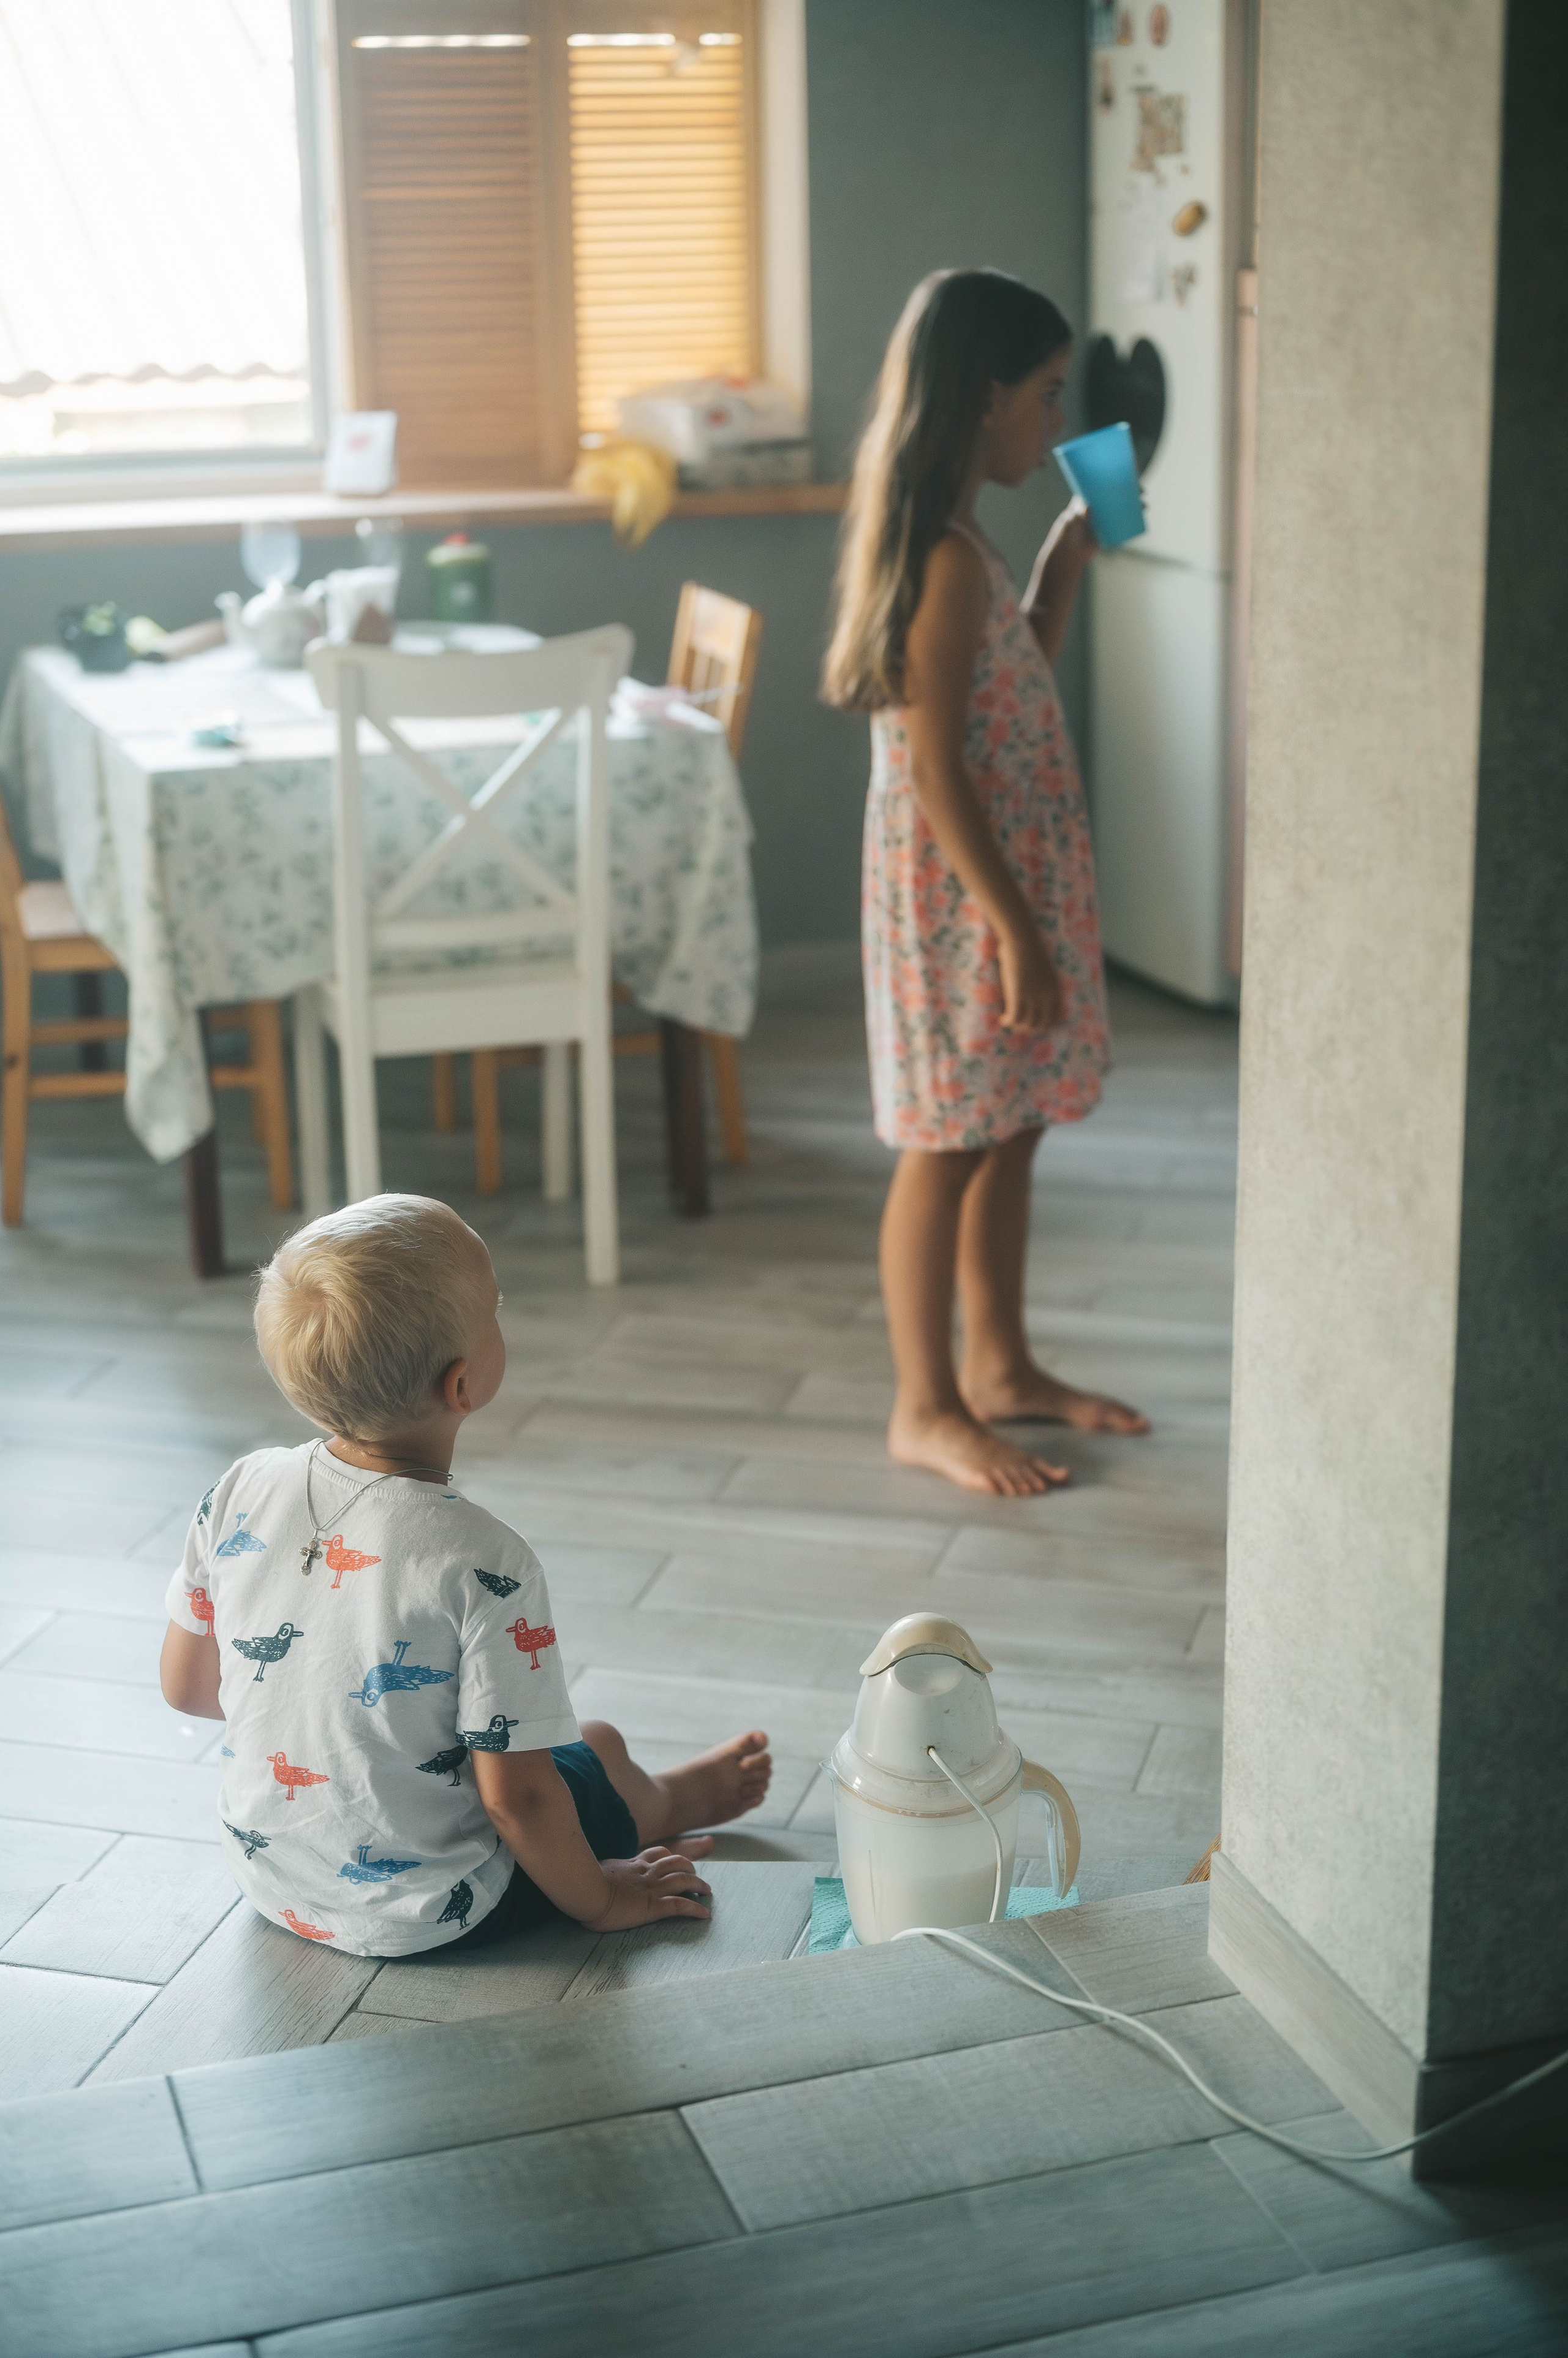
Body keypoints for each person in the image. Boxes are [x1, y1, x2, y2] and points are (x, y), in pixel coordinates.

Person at [158, 1194, 770, 1956]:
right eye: (498, 1310)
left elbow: (188, 1686)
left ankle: (646, 1793)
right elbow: (517, 1799)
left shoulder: (240, 1489)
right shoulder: (486, 1559)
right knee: (597, 1746)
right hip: (436, 1909)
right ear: (461, 1384)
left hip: (275, 1874)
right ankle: (668, 1800)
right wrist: (605, 1897)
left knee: (560, 1750)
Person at [823, 267, 1149, 1498]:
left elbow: (1008, 694)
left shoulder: (968, 547)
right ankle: (925, 1404)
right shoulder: (940, 562)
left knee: (1007, 1125)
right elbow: (932, 770)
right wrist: (1014, 926)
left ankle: (1000, 1365)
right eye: (1046, 393)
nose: (1056, 419)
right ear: (982, 397)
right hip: (961, 905)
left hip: (996, 887)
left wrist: (1068, 552)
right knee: (945, 1143)